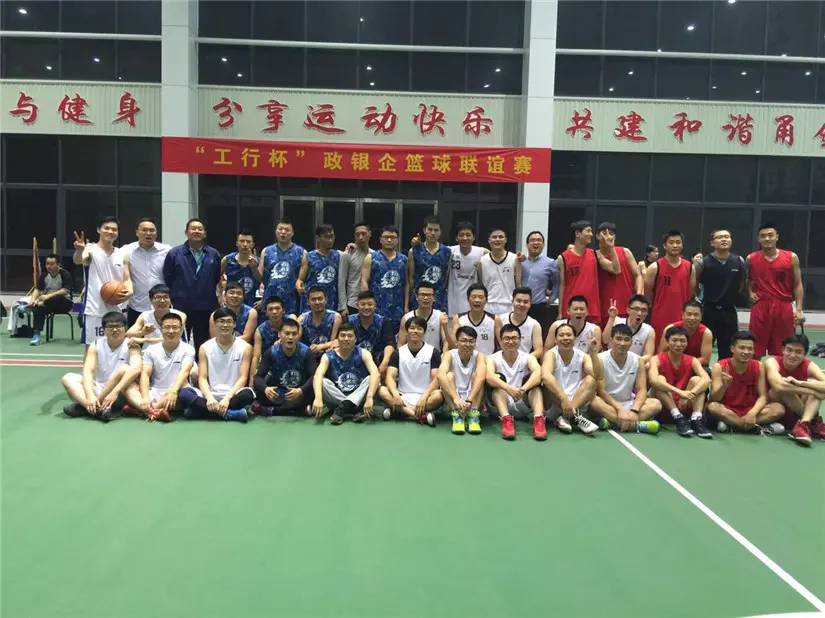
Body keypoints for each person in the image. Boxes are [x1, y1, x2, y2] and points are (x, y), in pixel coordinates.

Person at [61, 311, 142, 421]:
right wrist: (90, 395)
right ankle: (94, 408)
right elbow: (88, 370)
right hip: (100, 387)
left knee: (125, 369)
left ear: (125, 328)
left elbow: (136, 369)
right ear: (103, 329)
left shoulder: (132, 345)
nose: (115, 329)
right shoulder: (96, 345)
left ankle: (86, 407)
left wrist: (114, 392)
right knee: (68, 377)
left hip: (119, 392)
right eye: (110, 327)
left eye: (118, 326)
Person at [178, 307, 254, 423]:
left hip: (233, 394)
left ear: (234, 324)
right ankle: (231, 414)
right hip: (210, 395)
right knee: (184, 394)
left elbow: (243, 378)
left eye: (228, 321)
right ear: (215, 324)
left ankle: (201, 412)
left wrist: (227, 398)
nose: (225, 325)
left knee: (247, 395)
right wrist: (209, 398)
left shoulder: (245, 347)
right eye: (221, 321)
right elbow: (202, 378)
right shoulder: (205, 347)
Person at [707, 330, 785, 437]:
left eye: (750, 348)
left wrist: (752, 414)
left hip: (750, 409)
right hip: (728, 409)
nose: (746, 352)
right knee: (713, 407)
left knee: (779, 408)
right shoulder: (720, 366)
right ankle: (754, 428)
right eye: (742, 348)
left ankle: (734, 425)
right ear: (732, 349)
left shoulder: (759, 366)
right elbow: (714, 398)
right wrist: (724, 386)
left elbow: (763, 397)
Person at [746, 223, 804, 358]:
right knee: (755, 349)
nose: (767, 239)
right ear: (758, 239)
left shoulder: (791, 257)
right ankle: (755, 372)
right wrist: (749, 292)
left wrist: (799, 309)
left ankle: (778, 372)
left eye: (770, 235)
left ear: (777, 237)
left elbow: (798, 283)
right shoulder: (751, 258)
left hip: (783, 307)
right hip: (760, 306)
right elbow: (747, 279)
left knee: (783, 350)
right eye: (763, 236)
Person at [162, 218, 221, 351]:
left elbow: (216, 277)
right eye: (193, 228)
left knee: (203, 342)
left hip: (205, 306)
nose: (196, 231)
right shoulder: (174, 254)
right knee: (180, 340)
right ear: (186, 232)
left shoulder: (213, 254)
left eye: (200, 229)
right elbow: (168, 277)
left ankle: (201, 364)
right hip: (181, 305)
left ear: (204, 233)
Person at [591, 324, 661, 433]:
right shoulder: (600, 359)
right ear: (611, 340)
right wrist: (619, 409)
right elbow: (601, 391)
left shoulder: (638, 360)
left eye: (627, 340)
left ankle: (614, 423)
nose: (622, 343)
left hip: (629, 403)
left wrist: (635, 410)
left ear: (631, 342)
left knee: (656, 404)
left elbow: (642, 389)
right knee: (594, 402)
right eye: (618, 339)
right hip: (608, 404)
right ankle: (637, 425)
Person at [73, 216, 132, 345]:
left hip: (118, 308)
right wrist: (79, 250)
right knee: (92, 348)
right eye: (106, 228)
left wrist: (130, 291)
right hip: (95, 309)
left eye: (114, 229)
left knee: (118, 347)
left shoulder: (123, 254)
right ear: (99, 230)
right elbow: (78, 260)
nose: (110, 231)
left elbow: (127, 278)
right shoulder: (90, 249)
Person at [379, 316, 444, 426]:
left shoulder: (433, 352)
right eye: (412, 328)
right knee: (382, 390)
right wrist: (395, 394)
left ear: (424, 332)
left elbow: (436, 379)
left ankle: (400, 412)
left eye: (419, 329)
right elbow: (390, 377)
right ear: (406, 331)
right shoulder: (398, 353)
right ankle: (417, 415)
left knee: (440, 395)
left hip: (425, 397)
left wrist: (424, 397)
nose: (415, 331)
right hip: (402, 396)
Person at [487, 324, 547, 440]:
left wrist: (524, 388)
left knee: (535, 387)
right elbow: (489, 376)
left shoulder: (528, 357)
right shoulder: (492, 358)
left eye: (514, 338)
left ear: (520, 340)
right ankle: (506, 420)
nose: (510, 341)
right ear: (500, 341)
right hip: (500, 404)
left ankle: (539, 421)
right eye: (507, 338)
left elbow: (538, 373)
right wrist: (509, 388)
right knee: (497, 380)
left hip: (522, 401)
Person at [649, 325, 711, 438]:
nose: (678, 344)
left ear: (687, 343)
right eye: (674, 340)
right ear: (667, 342)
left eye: (682, 341)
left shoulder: (693, 360)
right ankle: (678, 417)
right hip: (664, 403)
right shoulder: (656, 359)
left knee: (697, 380)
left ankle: (696, 419)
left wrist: (691, 394)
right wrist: (679, 392)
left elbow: (707, 379)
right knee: (660, 380)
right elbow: (653, 380)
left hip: (684, 402)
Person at [313, 322, 380, 424]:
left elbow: (375, 373)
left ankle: (343, 409)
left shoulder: (364, 353)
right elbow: (318, 375)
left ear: (355, 339)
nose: (346, 339)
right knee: (321, 381)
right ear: (337, 339)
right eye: (343, 335)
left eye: (350, 336)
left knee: (372, 378)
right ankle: (353, 408)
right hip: (336, 396)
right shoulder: (328, 356)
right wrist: (318, 397)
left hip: (358, 394)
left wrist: (370, 397)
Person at [764, 335, 825, 447]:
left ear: (805, 354)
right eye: (789, 350)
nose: (792, 355)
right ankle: (812, 422)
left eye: (798, 352)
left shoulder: (809, 365)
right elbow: (778, 386)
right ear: (783, 350)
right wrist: (812, 391)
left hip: (797, 414)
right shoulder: (772, 362)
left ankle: (803, 424)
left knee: (815, 383)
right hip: (777, 411)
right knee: (783, 387)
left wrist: (801, 383)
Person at [694, 229, 745, 361]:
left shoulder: (739, 261)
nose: (724, 239)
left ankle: (723, 373)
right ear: (712, 243)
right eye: (720, 237)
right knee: (702, 350)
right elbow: (694, 284)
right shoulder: (703, 263)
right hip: (708, 311)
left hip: (729, 312)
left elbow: (742, 284)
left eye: (727, 237)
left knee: (728, 352)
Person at [541, 322, 600, 436]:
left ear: (575, 338)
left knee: (592, 380)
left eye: (569, 335)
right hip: (555, 404)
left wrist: (593, 354)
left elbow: (598, 375)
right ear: (555, 340)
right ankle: (575, 417)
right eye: (561, 335)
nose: (565, 338)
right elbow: (545, 376)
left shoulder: (583, 356)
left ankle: (566, 417)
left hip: (576, 403)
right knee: (547, 382)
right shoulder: (551, 354)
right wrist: (563, 399)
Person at [137, 312, 196, 422]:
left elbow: (184, 371)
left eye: (175, 327)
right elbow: (145, 374)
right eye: (167, 327)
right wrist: (145, 397)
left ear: (181, 329)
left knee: (186, 394)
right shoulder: (151, 350)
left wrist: (172, 392)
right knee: (129, 389)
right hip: (155, 391)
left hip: (176, 391)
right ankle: (155, 411)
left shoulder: (188, 349)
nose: (171, 331)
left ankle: (148, 410)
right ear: (161, 329)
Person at [251, 317, 316, 417]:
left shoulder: (307, 352)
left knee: (314, 389)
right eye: (287, 333)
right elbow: (258, 377)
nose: (290, 337)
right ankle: (298, 410)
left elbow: (314, 377)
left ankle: (273, 411)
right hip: (277, 395)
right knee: (258, 388)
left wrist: (300, 390)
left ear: (298, 335)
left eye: (294, 334)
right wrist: (266, 389)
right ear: (279, 334)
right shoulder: (271, 352)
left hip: (299, 394)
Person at [645, 230, 696, 347]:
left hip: (682, 318)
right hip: (660, 317)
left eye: (678, 242)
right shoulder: (654, 267)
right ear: (664, 245)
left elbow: (690, 293)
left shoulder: (689, 267)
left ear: (682, 245)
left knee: (680, 348)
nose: (675, 245)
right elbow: (648, 295)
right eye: (671, 242)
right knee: (659, 350)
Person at [438, 325, 486, 435]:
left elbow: (482, 376)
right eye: (464, 341)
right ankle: (457, 415)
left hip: (472, 400)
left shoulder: (479, 356)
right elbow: (440, 375)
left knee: (478, 376)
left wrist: (470, 400)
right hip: (453, 399)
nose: (467, 344)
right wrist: (456, 398)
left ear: (475, 343)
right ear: (457, 342)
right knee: (448, 376)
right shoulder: (449, 355)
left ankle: (473, 415)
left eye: (471, 341)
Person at [122, 218, 170, 326]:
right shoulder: (127, 250)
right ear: (137, 232)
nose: (148, 233)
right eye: (144, 230)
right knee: (135, 336)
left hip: (161, 306)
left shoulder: (167, 251)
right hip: (136, 306)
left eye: (152, 230)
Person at [595, 222, 643, 329]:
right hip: (606, 306)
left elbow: (637, 275)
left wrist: (639, 296)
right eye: (604, 233)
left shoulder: (625, 251)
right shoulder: (596, 255)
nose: (608, 236)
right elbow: (616, 269)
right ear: (597, 236)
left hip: (627, 303)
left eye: (611, 234)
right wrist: (611, 248)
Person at [361, 224, 407, 334]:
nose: (389, 240)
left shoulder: (403, 259)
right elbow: (364, 281)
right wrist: (367, 304)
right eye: (386, 237)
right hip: (376, 308)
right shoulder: (371, 258)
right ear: (380, 239)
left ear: (397, 240)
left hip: (397, 309)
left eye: (393, 237)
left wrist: (406, 306)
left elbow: (407, 284)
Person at [259, 219, 305, 316]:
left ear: (292, 233)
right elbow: (260, 277)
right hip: (270, 300)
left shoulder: (301, 252)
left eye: (287, 230)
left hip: (292, 301)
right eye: (280, 229)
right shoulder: (266, 251)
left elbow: (302, 280)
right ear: (276, 231)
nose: (283, 232)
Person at [557, 221, 600, 325]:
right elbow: (562, 285)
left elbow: (616, 269)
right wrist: (560, 311)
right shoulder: (563, 257)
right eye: (588, 231)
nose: (591, 234)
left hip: (592, 307)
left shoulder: (595, 254)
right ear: (577, 234)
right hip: (571, 307)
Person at [518, 230, 559, 339]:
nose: (535, 243)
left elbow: (557, 283)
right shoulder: (520, 262)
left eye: (539, 240)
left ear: (543, 244)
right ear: (527, 244)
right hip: (520, 307)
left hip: (539, 307)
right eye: (532, 240)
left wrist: (551, 299)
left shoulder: (550, 263)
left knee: (539, 337)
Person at [407, 215, 451, 313]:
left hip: (439, 300)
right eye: (430, 229)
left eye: (436, 230)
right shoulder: (414, 251)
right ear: (424, 230)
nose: (433, 233)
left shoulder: (447, 252)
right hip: (419, 299)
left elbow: (446, 278)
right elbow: (411, 279)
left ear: (440, 231)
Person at [298, 224, 346, 314]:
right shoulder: (309, 256)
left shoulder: (339, 255)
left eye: (332, 236)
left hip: (332, 301)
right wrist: (299, 286)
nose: (330, 240)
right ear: (318, 238)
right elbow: (300, 279)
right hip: (313, 301)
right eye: (326, 237)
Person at [29, 253, 75, 346]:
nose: (49, 266)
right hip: (48, 303)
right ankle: (36, 335)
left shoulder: (65, 274)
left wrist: (48, 297)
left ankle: (43, 303)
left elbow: (65, 291)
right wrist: (32, 300)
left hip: (64, 303)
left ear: (58, 264)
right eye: (47, 264)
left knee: (57, 298)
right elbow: (37, 289)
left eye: (51, 264)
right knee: (37, 308)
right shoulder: (44, 275)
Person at [348, 291, 394, 377]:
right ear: (357, 305)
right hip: (354, 359)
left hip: (377, 359)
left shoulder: (383, 321)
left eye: (370, 304)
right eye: (363, 304)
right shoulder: (349, 321)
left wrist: (385, 362)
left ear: (375, 305)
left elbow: (390, 344)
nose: (366, 307)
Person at [476, 227, 521, 315]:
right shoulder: (481, 261)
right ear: (489, 240)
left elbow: (518, 284)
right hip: (488, 304)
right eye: (494, 237)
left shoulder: (515, 258)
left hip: (509, 304)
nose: (497, 239)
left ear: (505, 240)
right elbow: (480, 283)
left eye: (500, 237)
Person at [446, 222, 486, 317]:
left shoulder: (481, 252)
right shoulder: (449, 251)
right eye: (461, 235)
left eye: (468, 235)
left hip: (473, 301)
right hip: (452, 302)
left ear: (473, 237)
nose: (464, 238)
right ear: (456, 238)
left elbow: (497, 256)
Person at [602, 294, 656, 364]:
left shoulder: (649, 330)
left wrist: (629, 363)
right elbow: (605, 340)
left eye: (644, 310)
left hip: (634, 365)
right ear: (628, 310)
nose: (639, 313)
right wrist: (611, 318)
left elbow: (648, 356)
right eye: (636, 309)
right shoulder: (616, 321)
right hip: (611, 362)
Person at [658, 300, 713, 368]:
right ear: (682, 314)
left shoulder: (706, 333)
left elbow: (705, 359)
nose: (692, 318)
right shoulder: (670, 328)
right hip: (671, 364)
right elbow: (662, 353)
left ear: (701, 316)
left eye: (696, 315)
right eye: (689, 314)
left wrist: (683, 366)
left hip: (695, 366)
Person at [494, 287, 542, 359]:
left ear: (530, 303)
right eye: (518, 301)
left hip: (525, 362)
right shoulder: (500, 319)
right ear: (512, 301)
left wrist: (522, 361)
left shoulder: (535, 325)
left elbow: (539, 351)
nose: (522, 304)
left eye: (525, 302)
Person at [398, 282, 449, 350]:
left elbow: (446, 341)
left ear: (434, 298)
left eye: (429, 295)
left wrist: (444, 355)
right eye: (422, 295)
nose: (425, 298)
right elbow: (401, 343)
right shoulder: (406, 318)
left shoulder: (440, 316)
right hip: (412, 355)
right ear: (416, 297)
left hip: (434, 355)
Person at [250, 295, 290, 381]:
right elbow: (256, 357)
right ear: (266, 313)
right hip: (269, 364)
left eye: (277, 308)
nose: (274, 312)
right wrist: (252, 382)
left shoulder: (290, 321)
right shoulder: (260, 330)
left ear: (283, 311)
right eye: (270, 309)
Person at [450, 283, 496, 356]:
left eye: (481, 297)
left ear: (486, 300)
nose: (477, 300)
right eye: (474, 297)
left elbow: (502, 344)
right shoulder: (458, 319)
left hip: (488, 361)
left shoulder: (495, 320)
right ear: (468, 299)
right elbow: (454, 345)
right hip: (466, 361)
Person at [298, 286, 341, 359]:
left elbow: (335, 341)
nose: (317, 302)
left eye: (320, 299)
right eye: (313, 299)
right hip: (307, 356)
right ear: (308, 302)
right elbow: (296, 340)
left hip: (328, 355)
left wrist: (321, 347)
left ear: (326, 300)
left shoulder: (335, 317)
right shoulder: (302, 318)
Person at [220, 229, 260, 307]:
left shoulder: (259, 262)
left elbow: (265, 281)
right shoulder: (228, 259)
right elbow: (215, 278)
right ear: (237, 243)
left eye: (248, 242)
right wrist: (220, 295)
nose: (245, 244)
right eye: (242, 241)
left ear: (253, 244)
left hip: (251, 304)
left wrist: (263, 300)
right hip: (230, 304)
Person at [341, 221, 372, 316]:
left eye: (363, 234)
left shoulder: (375, 255)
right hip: (352, 303)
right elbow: (341, 281)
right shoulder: (347, 254)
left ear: (370, 234)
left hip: (371, 303)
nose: (360, 237)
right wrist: (343, 306)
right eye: (357, 235)